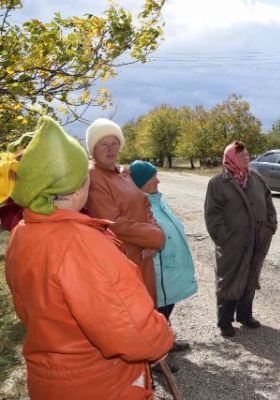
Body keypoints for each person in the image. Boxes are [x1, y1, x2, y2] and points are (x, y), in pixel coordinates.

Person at [2, 116, 173, 399]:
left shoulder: (23, 231)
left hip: (51, 380)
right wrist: (162, 336)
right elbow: (136, 335)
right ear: (79, 183)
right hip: (99, 384)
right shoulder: (82, 244)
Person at [84, 118, 165, 304]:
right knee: (132, 312)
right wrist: (155, 237)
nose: (111, 149)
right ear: (93, 149)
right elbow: (113, 223)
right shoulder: (94, 177)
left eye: (115, 143)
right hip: (123, 258)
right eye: (104, 144)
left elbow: (145, 205)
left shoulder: (122, 173)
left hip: (143, 254)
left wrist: (152, 241)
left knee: (148, 308)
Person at [204, 141, 277, 337]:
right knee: (229, 279)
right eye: (241, 155)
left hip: (258, 239)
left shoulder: (256, 178)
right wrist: (225, 239)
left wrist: (270, 226)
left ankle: (245, 315)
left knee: (251, 277)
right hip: (232, 244)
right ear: (230, 158)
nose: (246, 157)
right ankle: (225, 321)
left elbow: (268, 202)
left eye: (247, 154)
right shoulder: (218, 183)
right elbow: (213, 216)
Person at [129, 160, 198, 352]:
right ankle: (157, 352)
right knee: (157, 311)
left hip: (170, 268)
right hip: (159, 270)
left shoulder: (156, 200)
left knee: (165, 309)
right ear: (141, 182)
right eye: (153, 178)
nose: (158, 181)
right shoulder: (138, 205)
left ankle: (165, 340)